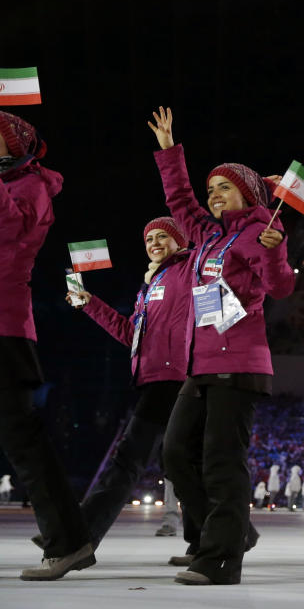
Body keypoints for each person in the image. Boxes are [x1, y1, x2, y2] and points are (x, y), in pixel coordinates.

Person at [149, 107, 295, 585]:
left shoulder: (256, 233)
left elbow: (280, 287)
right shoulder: (208, 236)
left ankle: (220, 558)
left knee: (220, 461)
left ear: (247, 192)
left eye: (223, 188)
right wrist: (170, 151)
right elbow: (180, 202)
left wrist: (275, 250)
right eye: (211, 190)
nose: (213, 196)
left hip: (239, 362)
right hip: (201, 364)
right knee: (174, 453)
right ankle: (233, 530)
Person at [0, 110, 95, 581]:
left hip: (4, 330)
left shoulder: (32, 187)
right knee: (25, 443)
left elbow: (9, 235)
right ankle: (71, 539)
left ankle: (68, 541)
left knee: (25, 444)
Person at [64, 217, 194, 552]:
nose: (153, 242)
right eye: (149, 238)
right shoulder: (149, 287)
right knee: (182, 463)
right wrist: (89, 302)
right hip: (152, 377)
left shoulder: (186, 270)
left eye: (163, 236)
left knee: (128, 460)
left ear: (180, 242)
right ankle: (222, 535)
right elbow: (128, 333)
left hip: (173, 377)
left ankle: (79, 535)